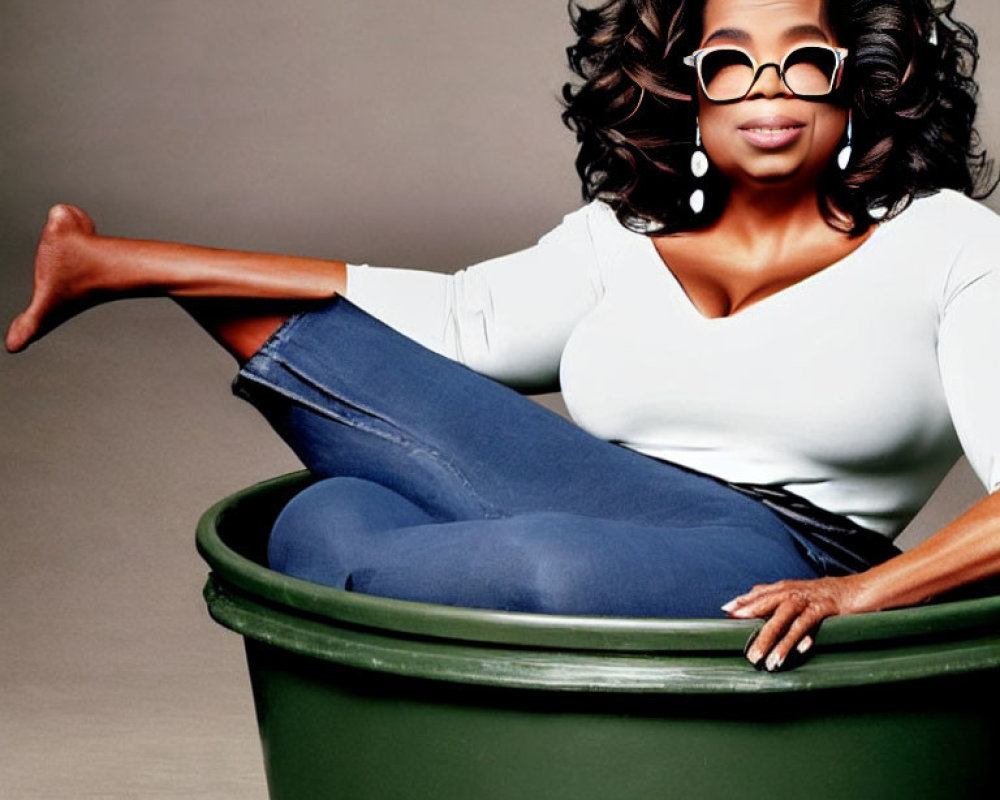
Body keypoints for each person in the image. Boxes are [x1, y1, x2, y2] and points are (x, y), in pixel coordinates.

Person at [6, 0, 1000, 674]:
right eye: (730, 60)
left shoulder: (948, 241)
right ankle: (121, 265)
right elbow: (453, 320)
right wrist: (176, 266)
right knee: (329, 505)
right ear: (685, 88)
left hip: (772, 548)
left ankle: (122, 269)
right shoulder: (621, 237)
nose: (767, 87)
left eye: (804, 60)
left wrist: (858, 592)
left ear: (859, 81)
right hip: (587, 487)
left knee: (543, 567)